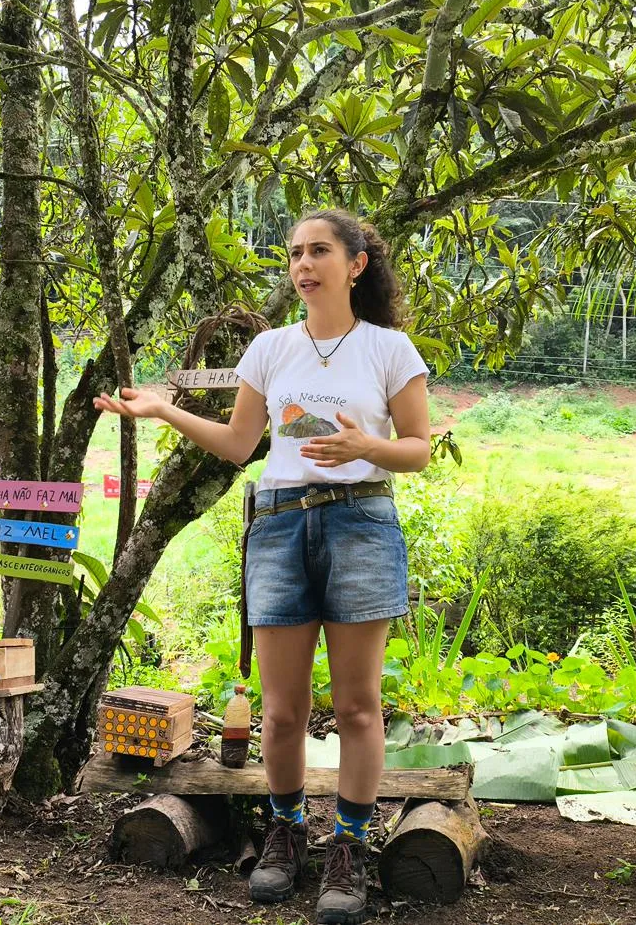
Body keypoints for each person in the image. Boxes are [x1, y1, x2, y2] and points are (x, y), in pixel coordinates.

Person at [94, 208, 431, 924]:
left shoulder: (389, 348)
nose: (303, 266)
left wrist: (365, 448)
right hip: (278, 525)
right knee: (280, 711)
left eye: (318, 252)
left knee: (357, 705)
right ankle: (284, 831)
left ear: (356, 262)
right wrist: (163, 411)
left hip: (361, 521)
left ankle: (347, 842)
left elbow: (419, 448)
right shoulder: (273, 348)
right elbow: (240, 442)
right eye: (294, 255)